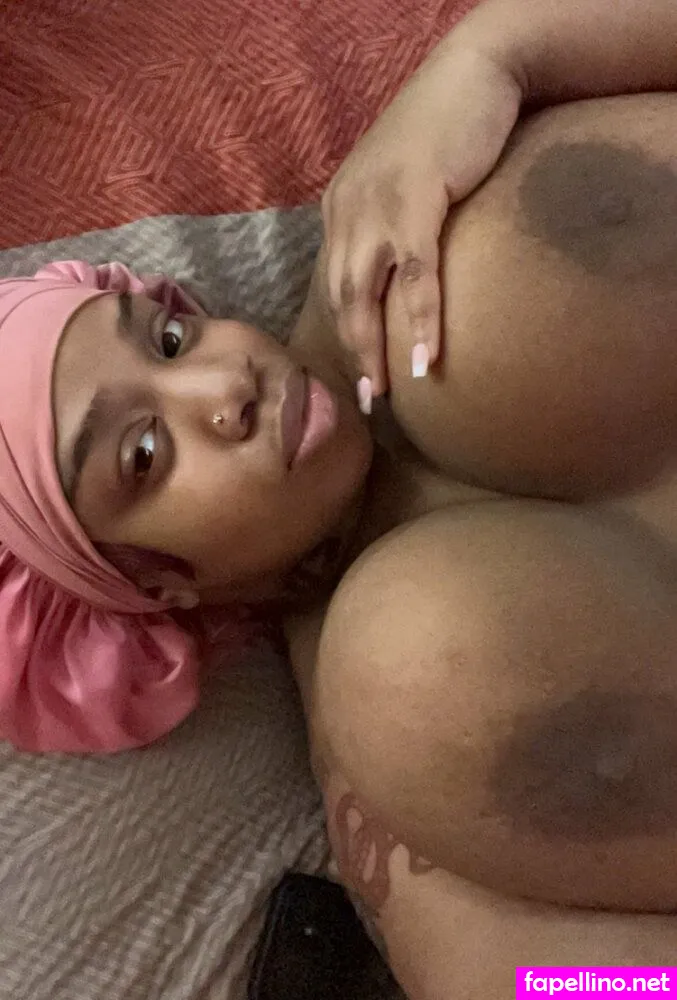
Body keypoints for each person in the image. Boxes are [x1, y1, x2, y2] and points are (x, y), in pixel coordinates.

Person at [2, 0, 677, 993]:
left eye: (168, 340)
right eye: (143, 453)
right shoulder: (390, 738)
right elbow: (531, 983)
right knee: (412, 659)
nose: (223, 386)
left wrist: (495, 53)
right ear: (156, 589)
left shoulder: (396, 207)